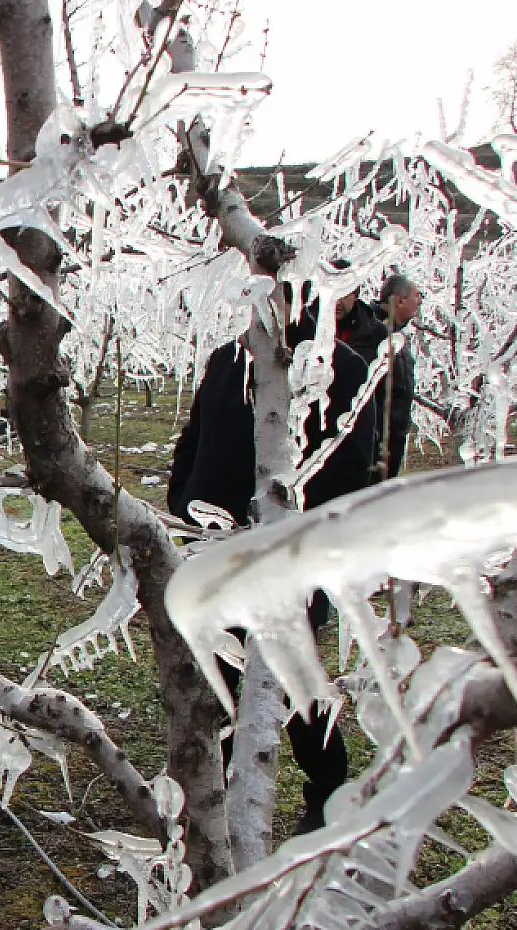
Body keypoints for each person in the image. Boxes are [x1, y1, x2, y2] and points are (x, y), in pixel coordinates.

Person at [167, 284, 380, 833]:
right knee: (214, 673)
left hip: (290, 560)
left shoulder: (341, 367)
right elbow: (194, 435)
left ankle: (329, 790)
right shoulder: (227, 357)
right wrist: (186, 497)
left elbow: (349, 468)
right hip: (215, 551)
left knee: (292, 673)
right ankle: (214, 795)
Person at [375, 272, 420, 480]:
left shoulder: (394, 333)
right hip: (377, 445)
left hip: (389, 443)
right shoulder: (375, 334)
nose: (419, 301)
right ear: (400, 301)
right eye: (416, 295)